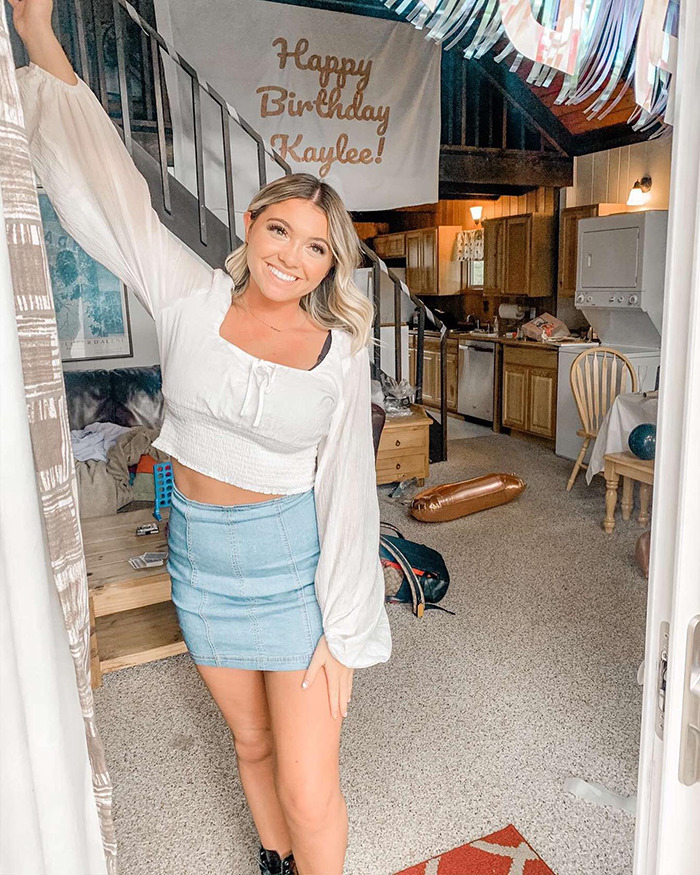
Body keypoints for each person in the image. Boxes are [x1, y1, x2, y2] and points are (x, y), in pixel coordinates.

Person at [11, 2, 392, 873]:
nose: (292, 256)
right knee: (251, 746)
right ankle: (274, 862)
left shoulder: (340, 348)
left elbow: (346, 488)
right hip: (203, 564)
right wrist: (38, 36)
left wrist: (343, 625)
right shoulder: (189, 294)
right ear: (252, 223)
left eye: (317, 248)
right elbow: (113, 190)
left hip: (293, 575)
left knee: (309, 785)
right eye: (281, 229)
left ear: (332, 265)